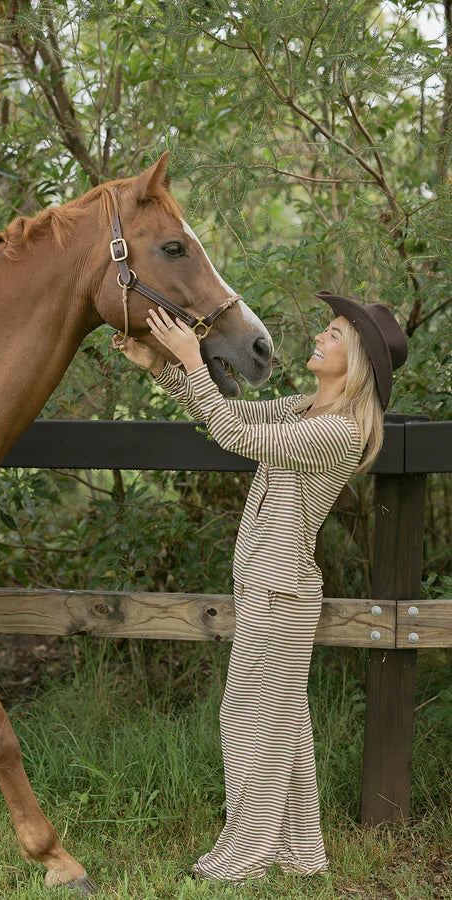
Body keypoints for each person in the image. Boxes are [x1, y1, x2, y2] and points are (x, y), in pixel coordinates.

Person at [112, 290, 408, 883]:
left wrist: (194, 358)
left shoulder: (339, 433)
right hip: (268, 585)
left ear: (355, 359)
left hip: (281, 591)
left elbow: (237, 439)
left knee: (247, 720)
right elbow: (233, 415)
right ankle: (300, 853)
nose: (320, 338)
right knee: (283, 725)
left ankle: (244, 852)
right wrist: (164, 367)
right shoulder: (304, 411)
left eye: (331, 333)